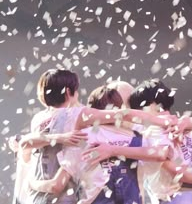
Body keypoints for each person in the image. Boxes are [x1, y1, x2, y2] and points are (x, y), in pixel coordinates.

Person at [18, 69, 179, 204]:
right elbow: (123, 115)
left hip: (39, 195)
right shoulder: (77, 116)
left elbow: (25, 145)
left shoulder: (38, 119)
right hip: (64, 197)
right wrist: (159, 121)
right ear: (68, 92)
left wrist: (32, 183)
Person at [83, 80, 192, 204]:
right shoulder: (182, 127)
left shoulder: (155, 129)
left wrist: (112, 150)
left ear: (152, 104)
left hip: (171, 196)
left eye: (138, 107)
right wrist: (187, 120)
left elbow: (162, 157)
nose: (138, 112)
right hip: (188, 193)